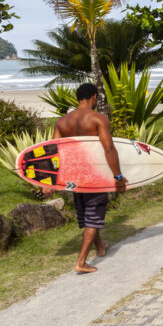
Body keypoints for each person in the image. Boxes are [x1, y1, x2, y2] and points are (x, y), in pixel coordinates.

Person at [49, 83, 126, 273]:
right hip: (94, 175)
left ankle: (100, 247)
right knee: (94, 214)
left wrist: (49, 180)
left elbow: (53, 153)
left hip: (75, 176)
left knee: (88, 213)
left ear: (78, 98)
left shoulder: (62, 122)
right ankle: (81, 262)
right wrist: (117, 175)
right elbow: (108, 148)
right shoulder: (98, 118)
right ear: (93, 97)